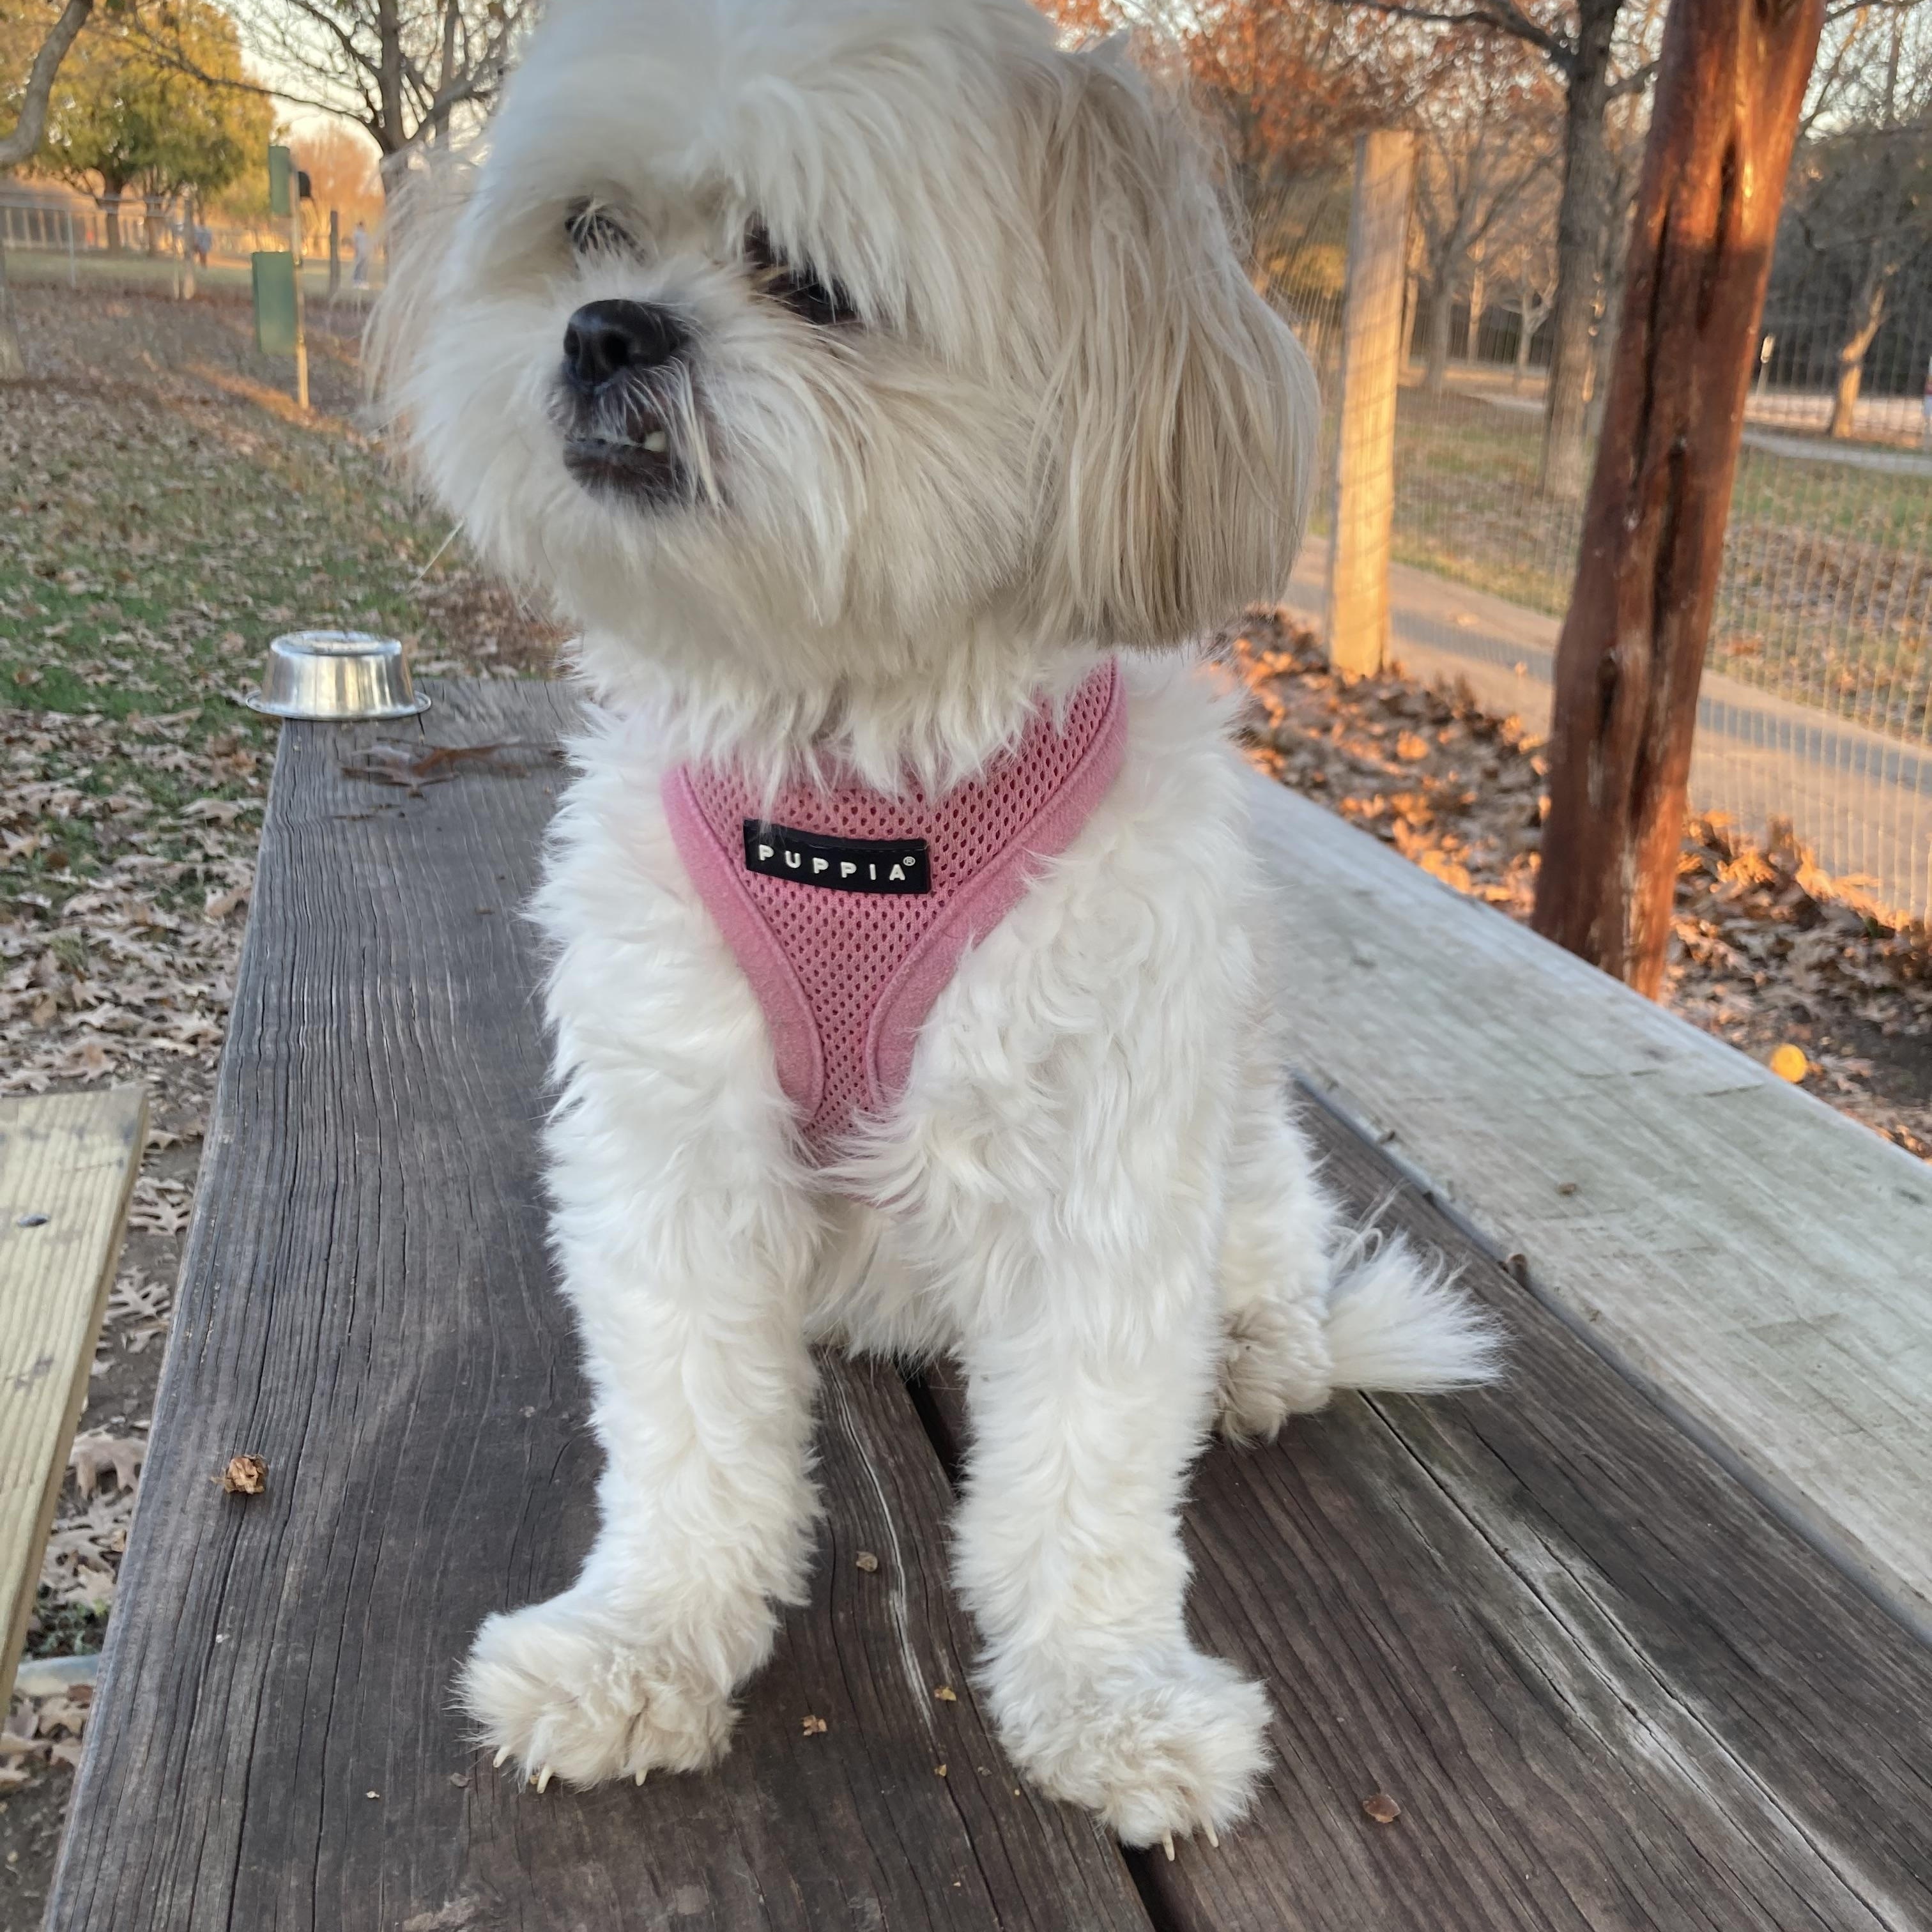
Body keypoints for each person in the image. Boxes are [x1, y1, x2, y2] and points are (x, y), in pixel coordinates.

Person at [351, 218, 373, 291]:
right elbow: (355, 243)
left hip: (364, 253)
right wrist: (357, 251)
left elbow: (367, 243)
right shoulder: (357, 233)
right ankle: (356, 281)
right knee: (358, 266)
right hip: (359, 252)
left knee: (364, 267)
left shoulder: (365, 234)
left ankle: (363, 281)